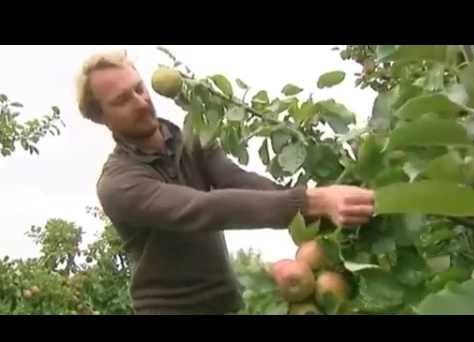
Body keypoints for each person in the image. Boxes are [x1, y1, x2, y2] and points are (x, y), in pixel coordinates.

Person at [75, 49, 375, 315]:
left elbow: (237, 180)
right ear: (100, 117)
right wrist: (312, 200)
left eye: (139, 88)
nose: (140, 102)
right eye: (122, 100)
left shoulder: (189, 142)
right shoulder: (118, 184)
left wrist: (318, 213)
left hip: (225, 303)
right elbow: (202, 208)